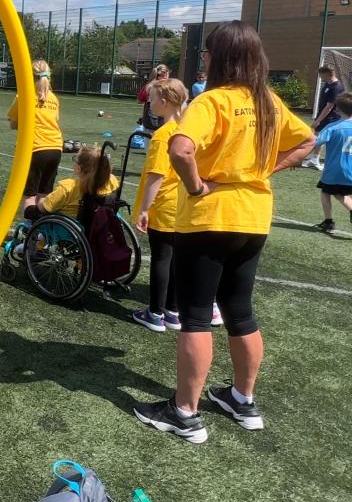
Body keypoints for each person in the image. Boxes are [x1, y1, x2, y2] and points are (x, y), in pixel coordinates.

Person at [133, 22, 314, 444]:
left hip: (209, 218)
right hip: (254, 217)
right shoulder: (268, 101)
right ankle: (242, 399)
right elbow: (307, 141)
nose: (205, 60)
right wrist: (264, 171)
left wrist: (197, 186)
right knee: (240, 310)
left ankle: (184, 412)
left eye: (208, 52)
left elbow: (180, 149)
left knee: (196, 316)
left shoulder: (210, 101)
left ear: (221, 57)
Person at [131, 78, 187, 333]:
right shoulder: (187, 131)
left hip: (164, 205)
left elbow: (156, 175)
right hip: (183, 206)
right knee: (177, 259)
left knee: (161, 259)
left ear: (164, 103)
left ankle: (154, 312)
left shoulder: (162, 136)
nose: (149, 103)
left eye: (151, 99)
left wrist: (144, 209)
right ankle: (173, 311)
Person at [7, 60, 62, 211]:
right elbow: (54, 120)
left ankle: (30, 229)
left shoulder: (23, 96)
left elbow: (13, 124)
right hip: (56, 148)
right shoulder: (53, 98)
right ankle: (40, 231)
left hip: (36, 149)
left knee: (29, 195)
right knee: (44, 194)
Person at [26, 145, 119, 218]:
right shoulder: (113, 181)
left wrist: (30, 202)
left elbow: (43, 208)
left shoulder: (68, 188)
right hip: (98, 228)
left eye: (75, 159)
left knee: (30, 207)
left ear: (79, 168)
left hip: (66, 233)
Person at [313, 92, 352, 233]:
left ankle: (328, 222)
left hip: (335, 171)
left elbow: (316, 142)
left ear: (338, 109)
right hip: (351, 171)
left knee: (326, 192)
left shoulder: (333, 127)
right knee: (339, 194)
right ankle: (328, 222)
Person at [302, 65, 346, 170]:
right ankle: (314, 158)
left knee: (320, 137)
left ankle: (317, 160)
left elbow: (329, 107)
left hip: (330, 117)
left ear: (328, 74)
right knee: (317, 136)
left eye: (322, 75)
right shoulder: (328, 84)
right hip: (323, 114)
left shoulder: (336, 87)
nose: (321, 77)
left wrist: (318, 121)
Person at [137, 64, 170, 131]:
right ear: (166, 74)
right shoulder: (165, 87)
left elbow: (139, 100)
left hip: (148, 121)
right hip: (158, 122)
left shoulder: (149, 85)